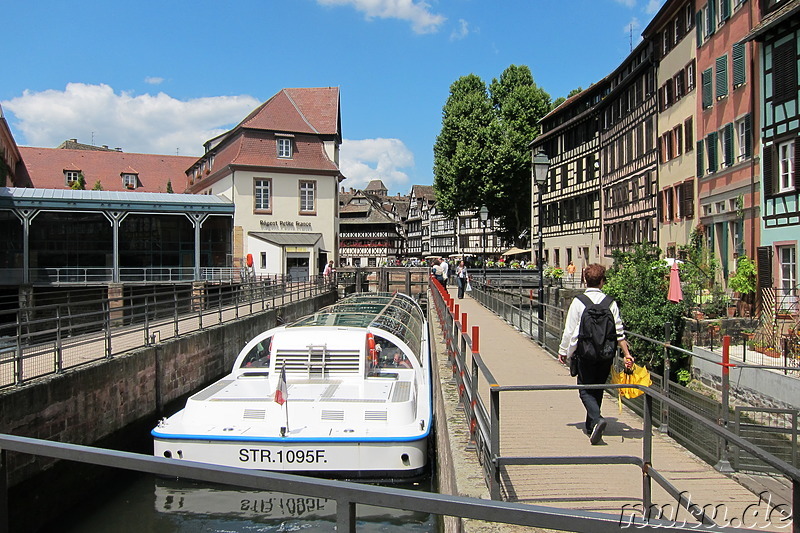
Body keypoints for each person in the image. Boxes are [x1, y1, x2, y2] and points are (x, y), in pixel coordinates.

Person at [558, 263, 633, 445]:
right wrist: (627, 354)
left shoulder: (579, 302)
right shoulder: (610, 302)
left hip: (585, 352)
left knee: (584, 388)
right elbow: (619, 331)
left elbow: (570, 330)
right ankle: (591, 426)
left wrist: (563, 351)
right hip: (606, 353)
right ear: (602, 281)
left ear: (585, 280)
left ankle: (597, 419)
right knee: (598, 387)